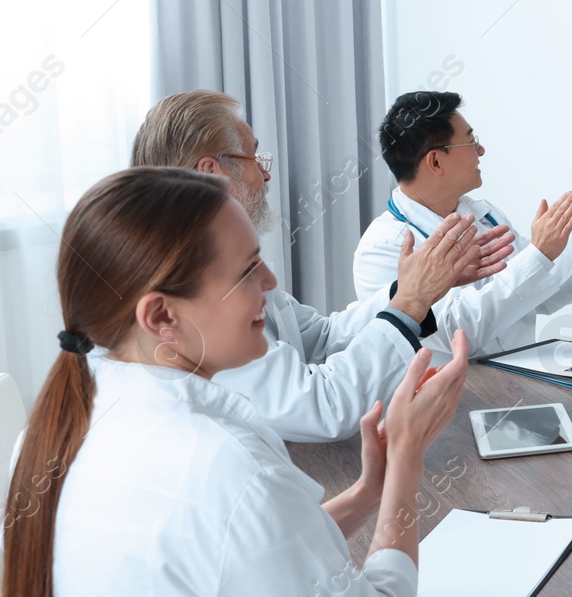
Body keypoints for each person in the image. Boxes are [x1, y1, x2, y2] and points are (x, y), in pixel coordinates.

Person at [0, 167, 470, 597]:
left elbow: (242, 562)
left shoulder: (50, 434)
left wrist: (365, 493)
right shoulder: (221, 465)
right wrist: (405, 465)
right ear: (161, 318)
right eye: (248, 272)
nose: (269, 283)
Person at [130, 90, 498, 441]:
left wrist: (413, 288)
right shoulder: (195, 293)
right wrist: (411, 302)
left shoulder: (222, 265)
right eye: (254, 159)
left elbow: (321, 337)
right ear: (213, 173)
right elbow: (321, 409)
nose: (266, 174)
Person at [352, 91, 572, 360]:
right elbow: (456, 334)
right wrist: (539, 255)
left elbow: (539, 295)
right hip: (449, 398)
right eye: (471, 141)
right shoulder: (383, 248)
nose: (481, 150)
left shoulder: (485, 216)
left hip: (517, 381)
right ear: (436, 162)